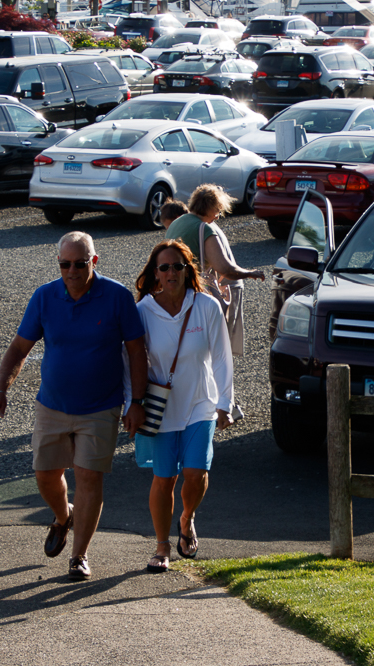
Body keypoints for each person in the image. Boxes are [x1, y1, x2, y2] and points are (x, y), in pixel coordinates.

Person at [0, 232, 148, 581]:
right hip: (53, 405)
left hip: (101, 406)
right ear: (58, 264)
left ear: (94, 261)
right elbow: (19, 348)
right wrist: (0, 390)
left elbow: (137, 351)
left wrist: (136, 402)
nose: (72, 270)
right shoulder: (45, 297)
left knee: (89, 477)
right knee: (45, 475)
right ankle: (64, 517)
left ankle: (79, 555)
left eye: (80, 263)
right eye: (65, 264)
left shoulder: (117, 297)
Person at [125, 240, 233, 573]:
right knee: (164, 478)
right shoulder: (143, 311)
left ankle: (187, 518)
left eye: (178, 266)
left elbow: (222, 358)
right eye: (164, 267)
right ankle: (161, 546)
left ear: (188, 270)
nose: (171, 272)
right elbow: (130, 361)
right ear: (154, 273)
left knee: (196, 472)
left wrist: (225, 403)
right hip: (161, 409)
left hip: (201, 404)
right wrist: (132, 403)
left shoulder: (206, 306)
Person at [165, 184, 265, 357]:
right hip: (198, 296)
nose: (218, 216)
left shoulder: (176, 224)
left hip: (177, 294)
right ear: (210, 208)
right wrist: (250, 273)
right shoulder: (205, 229)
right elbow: (224, 268)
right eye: (217, 210)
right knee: (214, 349)